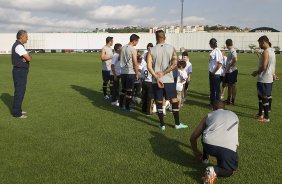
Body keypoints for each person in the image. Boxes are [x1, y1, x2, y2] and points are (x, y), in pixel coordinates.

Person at [147, 30, 188, 130]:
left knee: (159, 101)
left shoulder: (151, 50)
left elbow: (149, 66)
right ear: (164, 37)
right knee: (174, 100)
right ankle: (177, 124)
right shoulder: (171, 48)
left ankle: (162, 125)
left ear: (156, 38)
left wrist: (157, 76)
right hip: (169, 80)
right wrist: (164, 73)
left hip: (156, 80)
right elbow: (174, 64)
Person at [190, 101, 239, 183]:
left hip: (209, 145)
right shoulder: (234, 115)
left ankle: (205, 158)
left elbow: (193, 137)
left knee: (206, 130)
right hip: (228, 148)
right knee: (230, 171)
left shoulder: (210, 115)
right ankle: (215, 170)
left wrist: (196, 151)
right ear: (224, 108)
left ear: (213, 109)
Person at [252, 35, 276, 122]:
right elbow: (272, 65)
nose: (259, 45)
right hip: (268, 77)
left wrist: (256, 72)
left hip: (264, 78)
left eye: (259, 43)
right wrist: (273, 74)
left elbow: (264, 66)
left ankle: (266, 117)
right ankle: (260, 113)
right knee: (261, 95)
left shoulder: (266, 52)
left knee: (263, 96)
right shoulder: (272, 51)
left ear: (263, 42)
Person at [11, 30, 32, 118]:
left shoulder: (19, 45)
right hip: (20, 72)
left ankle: (18, 110)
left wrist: (27, 57)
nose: (27, 38)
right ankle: (16, 113)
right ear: (21, 37)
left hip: (20, 71)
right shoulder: (19, 46)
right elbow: (29, 58)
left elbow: (27, 58)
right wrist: (27, 57)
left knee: (20, 91)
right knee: (19, 91)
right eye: (26, 37)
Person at [119, 34, 140, 111]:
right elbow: (135, 62)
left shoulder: (123, 47)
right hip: (130, 72)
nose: (137, 43)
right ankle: (127, 107)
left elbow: (119, 58)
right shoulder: (133, 50)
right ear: (134, 40)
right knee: (129, 90)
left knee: (123, 89)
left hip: (123, 72)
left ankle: (121, 105)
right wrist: (137, 73)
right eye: (137, 41)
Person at [208, 38, 223, 106]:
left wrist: (214, 72)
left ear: (211, 44)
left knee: (217, 90)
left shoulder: (217, 51)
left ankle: (217, 104)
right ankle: (212, 103)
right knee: (212, 89)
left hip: (215, 74)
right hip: (212, 72)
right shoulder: (214, 51)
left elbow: (220, 63)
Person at [225, 39, 238, 105]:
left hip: (232, 71)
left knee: (232, 85)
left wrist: (230, 66)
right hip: (230, 71)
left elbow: (235, 59)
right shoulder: (230, 50)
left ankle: (232, 100)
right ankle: (229, 99)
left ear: (226, 44)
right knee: (230, 85)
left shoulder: (232, 50)